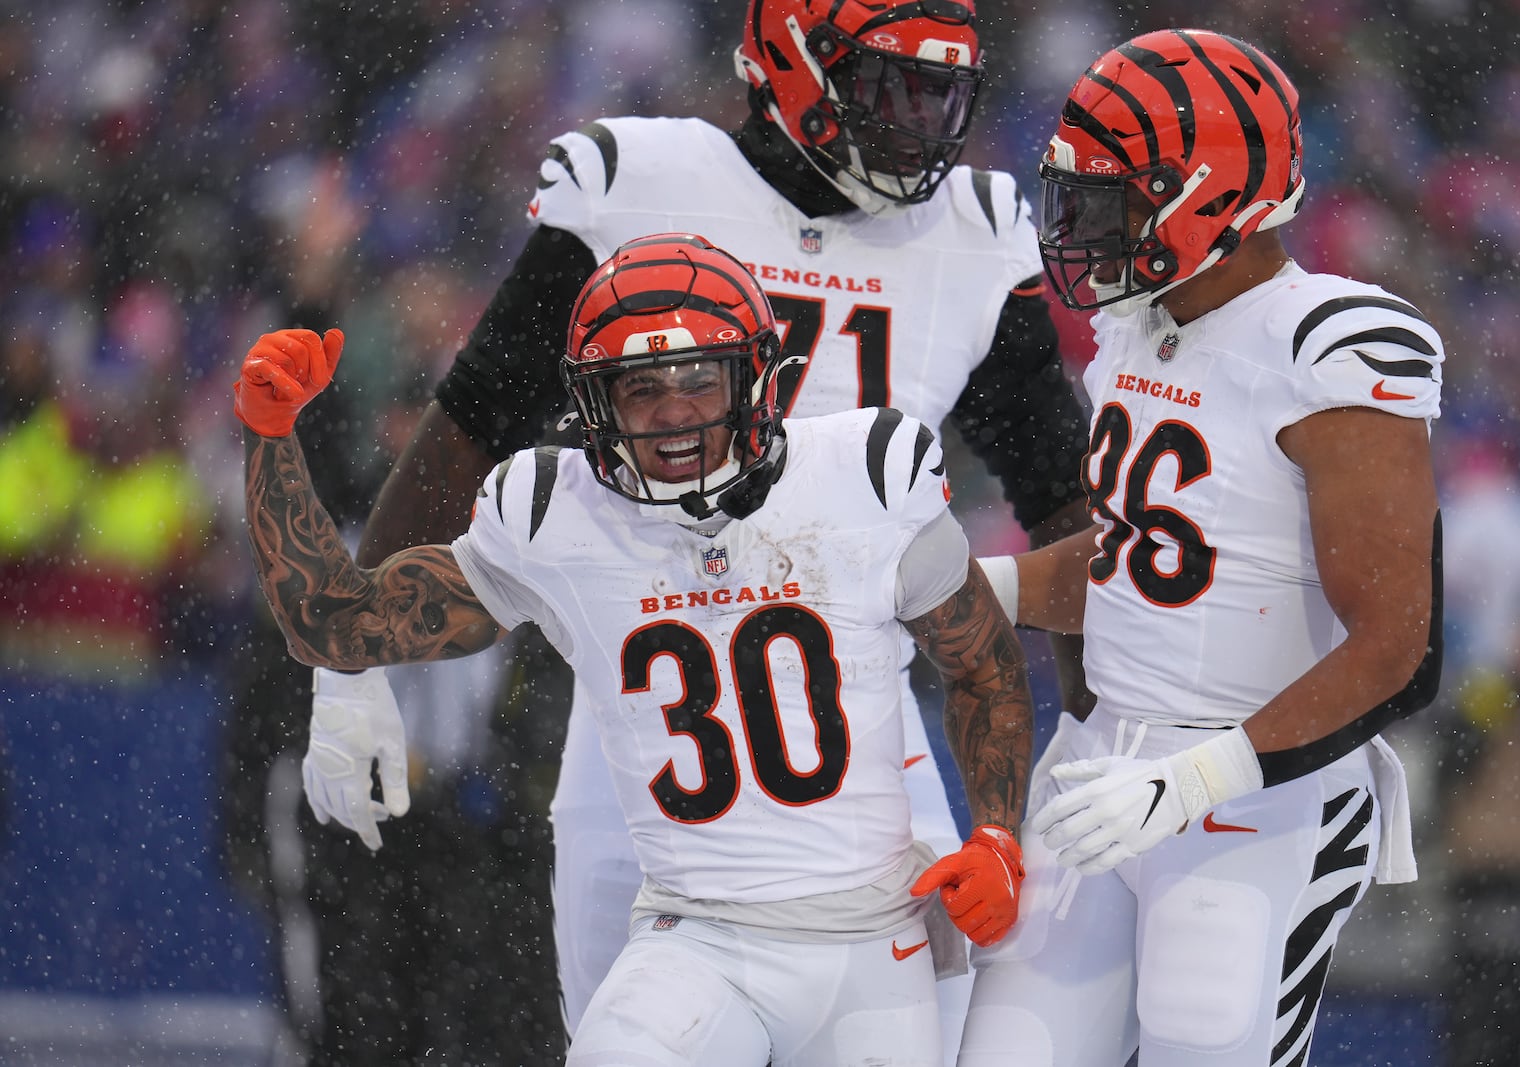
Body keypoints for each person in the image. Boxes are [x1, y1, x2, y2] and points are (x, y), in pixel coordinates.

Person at [301, 0, 1091, 1055]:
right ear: (790, 64)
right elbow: (470, 428)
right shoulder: (646, 186)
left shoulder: (973, 237)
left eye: (935, 89)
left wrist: (1103, 721)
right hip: (645, 711)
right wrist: (348, 672)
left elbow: (1068, 502)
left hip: (859, 719)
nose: (915, 123)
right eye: (884, 86)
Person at [235, 233, 1035, 1067]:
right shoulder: (555, 514)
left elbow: (980, 663)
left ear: (755, 375)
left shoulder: (866, 475)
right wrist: (273, 436)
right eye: (639, 386)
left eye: (699, 377)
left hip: (873, 940)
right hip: (693, 938)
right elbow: (335, 622)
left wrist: (998, 836)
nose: (673, 409)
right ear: (592, 404)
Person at [957, 29, 1445, 1067]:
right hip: (1097, 771)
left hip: (1256, 793)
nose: (1083, 224)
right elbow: (1145, 568)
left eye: (1113, 197)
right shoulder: (1137, 327)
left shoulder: (1328, 343)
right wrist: (969, 588)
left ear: (1205, 194)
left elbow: (1399, 646)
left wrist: (1196, 778)